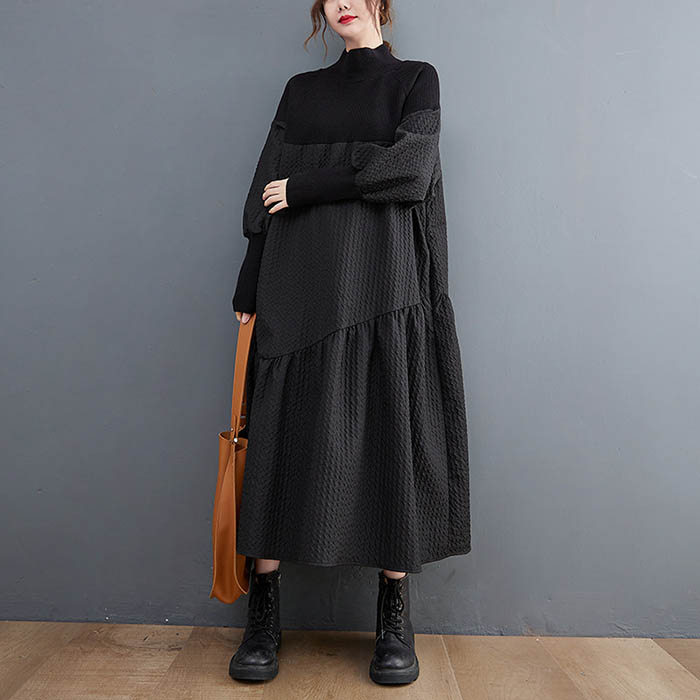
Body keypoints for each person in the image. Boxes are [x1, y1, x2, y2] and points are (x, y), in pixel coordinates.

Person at [227, 0, 471, 685]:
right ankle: (263, 616)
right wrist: (249, 282)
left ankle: (394, 618)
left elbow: (410, 172)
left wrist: (310, 185)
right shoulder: (301, 91)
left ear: (380, 4)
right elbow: (264, 193)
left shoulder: (415, 79)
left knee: (391, 433)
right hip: (297, 284)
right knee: (280, 438)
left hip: (383, 285)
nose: (341, 2)